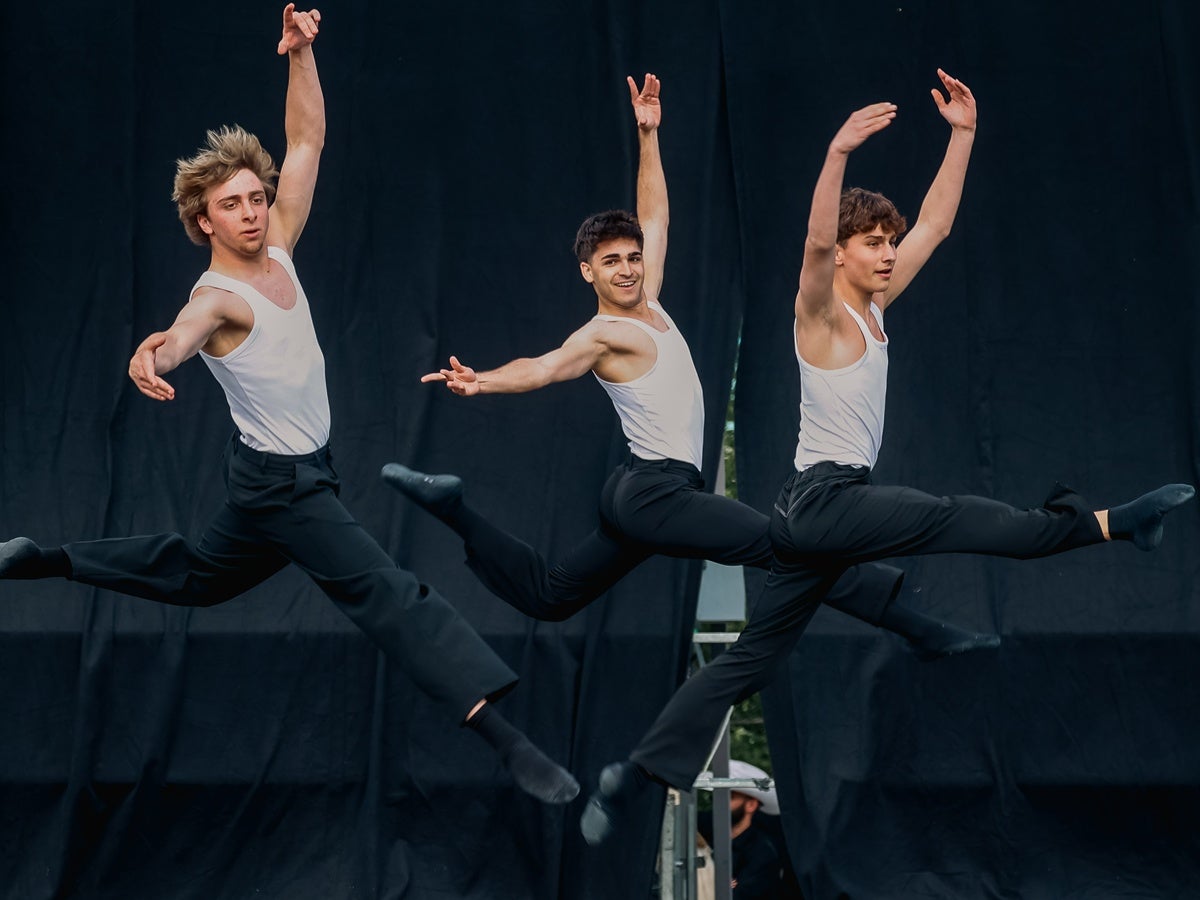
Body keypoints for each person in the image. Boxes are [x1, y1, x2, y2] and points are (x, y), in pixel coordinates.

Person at [579, 69, 1194, 845]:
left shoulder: (875, 309)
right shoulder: (820, 312)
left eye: (887, 245)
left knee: (749, 663)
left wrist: (962, 136)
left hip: (818, 519)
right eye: (874, 244)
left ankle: (631, 776)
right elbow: (810, 241)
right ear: (842, 255)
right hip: (823, 501)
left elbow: (935, 225)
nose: (888, 254)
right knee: (959, 517)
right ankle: (1112, 523)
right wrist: (836, 151)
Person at [0, 4, 577, 806]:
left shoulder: (278, 248)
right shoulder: (220, 294)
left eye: (255, 198)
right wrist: (152, 354)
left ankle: (45, 559)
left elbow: (306, 142)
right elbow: (182, 332)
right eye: (233, 204)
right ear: (203, 220)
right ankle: (508, 743)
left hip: (276, 478)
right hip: (284, 485)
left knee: (199, 576)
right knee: (385, 591)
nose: (252, 210)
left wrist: (300, 55)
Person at [382, 73, 997, 660]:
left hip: (639, 493)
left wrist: (648, 137)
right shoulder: (603, 333)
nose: (627, 267)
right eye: (611, 262)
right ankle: (922, 630)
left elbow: (656, 217)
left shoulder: (649, 300)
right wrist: (482, 379)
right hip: (656, 494)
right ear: (587, 273)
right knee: (789, 547)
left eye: (631, 258)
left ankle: (453, 509)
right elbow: (544, 367)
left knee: (549, 597)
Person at [697, 760, 789, 900]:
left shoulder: (762, 853)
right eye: (717, 795)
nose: (719, 802)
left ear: (751, 805)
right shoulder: (707, 834)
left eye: (730, 797)